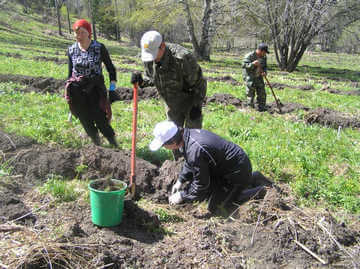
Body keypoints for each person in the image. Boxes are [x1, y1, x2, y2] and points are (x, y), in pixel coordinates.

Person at [149, 120, 271, 213]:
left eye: (164, 145)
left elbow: (201, 185)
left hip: (236, 171)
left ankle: (261, 191)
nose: (164, 148)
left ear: (173, 142)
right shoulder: (187, 136)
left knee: (219, 208)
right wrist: (181, 180)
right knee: (211, 195)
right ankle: (253, 177)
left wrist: (182, 196)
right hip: (229, 166)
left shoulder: (194, 149)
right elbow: (190, 162)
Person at [130, 31, 207, 158]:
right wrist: (141, 81)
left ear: (163, 46)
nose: (152, 58)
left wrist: (196, 106)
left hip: (189, 100)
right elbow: (152, 78)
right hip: (170, 103)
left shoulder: (183, 58)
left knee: (192, 136)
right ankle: (178, 163)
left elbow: (199, 83)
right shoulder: (149, 58)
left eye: (154, 54)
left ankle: (194, 162)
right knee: (171, 136)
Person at [65, 19, 118, 147]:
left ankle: (114, 145)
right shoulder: (71, 50)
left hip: (95, 89)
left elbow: (111, 69)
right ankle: (97, 145)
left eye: (82, 32)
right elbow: (70, 74)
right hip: (77, 90)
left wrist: (112, 89)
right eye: (76, 33)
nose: (79, 36)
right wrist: (69, 98)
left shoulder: (99, 48)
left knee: (100, 118)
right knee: (85, 119)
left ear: (89, 33)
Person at [242, 43, 269, 112]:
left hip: (259, 77)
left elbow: (265, 66)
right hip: (250, 77)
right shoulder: (249, 56)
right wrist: (252, 64)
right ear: (261, 50)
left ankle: (262, 108)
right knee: (250, 93)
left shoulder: (264, 57)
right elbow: (244, 65)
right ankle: (250, 108)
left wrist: (265, 72)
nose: (265, 54)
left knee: (262, 93)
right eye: (264, 52)